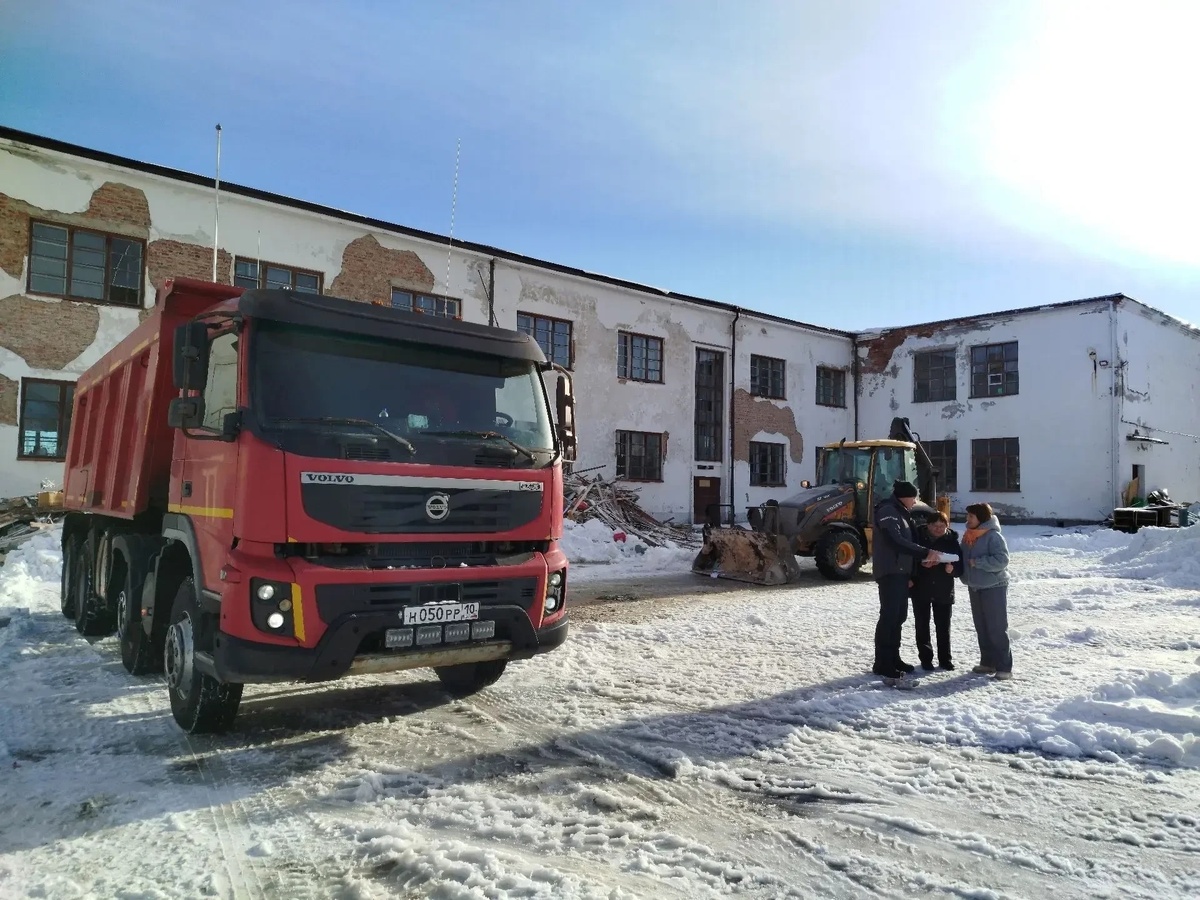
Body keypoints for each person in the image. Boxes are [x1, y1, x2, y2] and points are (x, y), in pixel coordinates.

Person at [871, 480, 939, 680]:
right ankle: (883, 662)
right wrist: (925, 552)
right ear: (905, 497)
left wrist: (911, 572)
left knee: (899, 616)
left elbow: (907, 542)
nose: (915, 502)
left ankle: (894, 658)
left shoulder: (901, 512)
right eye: (913, 498)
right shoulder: (888, 511)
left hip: (900, 572)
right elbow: (896, 541)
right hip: (890, 572)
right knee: (890, 617)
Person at [959, 502, 1013, 680]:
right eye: (968, 516)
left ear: (981, 518)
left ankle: (1004, 667)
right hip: (975, 586)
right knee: (981, 627)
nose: (967, 519)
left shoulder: (993, 536)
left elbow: (1002, 560)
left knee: (996, 627)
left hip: (993, 586)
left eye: (971, 516)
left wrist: (979, 562)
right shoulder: (969, 535)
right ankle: (988, 662)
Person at [910, 511, 963, 670]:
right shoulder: (917, 538)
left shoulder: (952, 541)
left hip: (943, 590)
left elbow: (960, 567)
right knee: (922, 626)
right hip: (921, 588)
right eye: (935, 526)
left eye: (942, 526)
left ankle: (945, 659)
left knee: (943, 627)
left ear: (947, 526)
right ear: (928, 525)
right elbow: (909, 561)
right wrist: (919, 566)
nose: (938, 529)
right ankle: (926, 659)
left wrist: (952, 570)